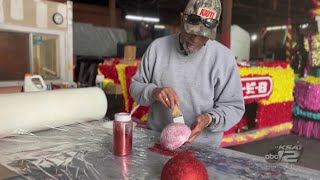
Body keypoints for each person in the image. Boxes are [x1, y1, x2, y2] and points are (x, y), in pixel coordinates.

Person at [129, 0, 245, 147]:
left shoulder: (224, 58)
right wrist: (153, 91)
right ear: (181, 19)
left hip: (203, 147)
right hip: (158, 141)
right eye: (191, 31)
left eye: (203, 35)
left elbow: (234, 107)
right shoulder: (157, 48)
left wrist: (209, 119)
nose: (195, 39)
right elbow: (135, 87)